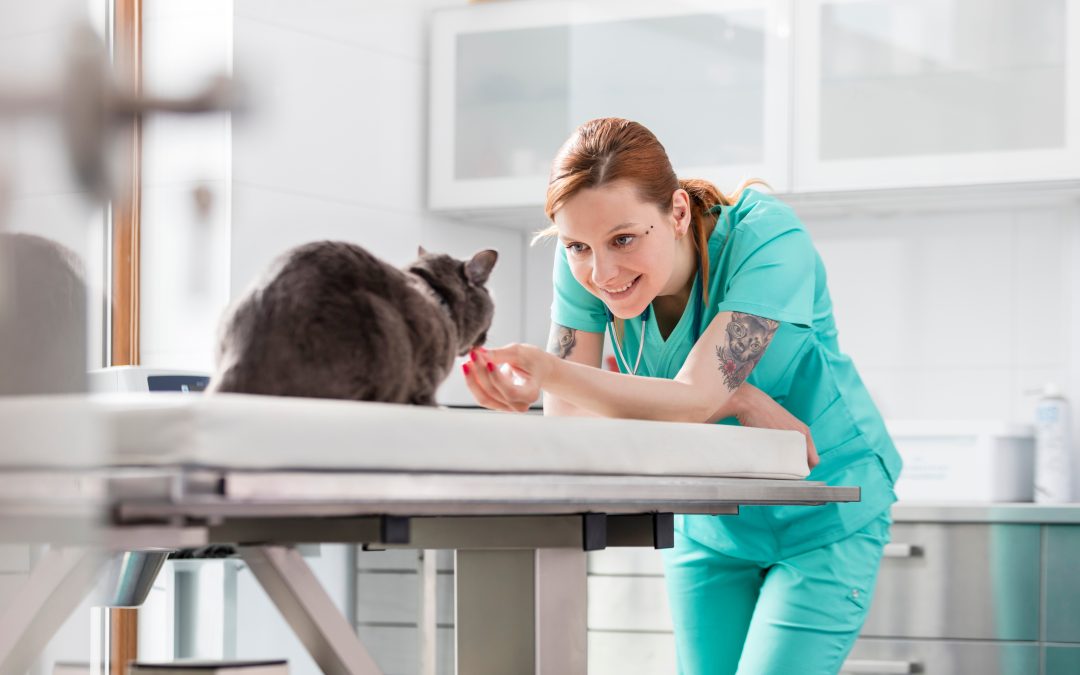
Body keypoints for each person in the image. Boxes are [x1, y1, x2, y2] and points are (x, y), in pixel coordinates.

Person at [462, 117, 902, 675]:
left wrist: (550, 370)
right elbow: (569, 422)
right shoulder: (586, 259)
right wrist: (738, 400)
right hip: (710, 519)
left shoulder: (767, 240)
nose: (601, 272)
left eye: (623, 239)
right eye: (577, 246)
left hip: (827, 509)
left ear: (675, 212)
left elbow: (691, 398)